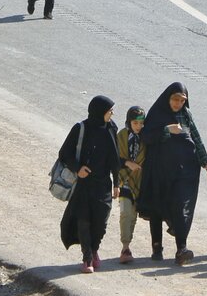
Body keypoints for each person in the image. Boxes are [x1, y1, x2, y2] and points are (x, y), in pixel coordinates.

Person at [137, 82, 207, 266]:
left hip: (185, 170)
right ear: (168, 98)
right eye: (175, 99)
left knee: (182, 206)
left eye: (182, 100)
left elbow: (196, 138)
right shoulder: (157, 114)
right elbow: (146, 137)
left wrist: (206, 164)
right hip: (160, 171)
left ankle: (182, 248)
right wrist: (167, 130)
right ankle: (157, 248)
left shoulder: (186, 115)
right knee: (157, 206)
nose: (178, 103)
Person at [59, 96, 121, 274]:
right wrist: (78, 168)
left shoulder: (111, 128)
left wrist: (116, 183)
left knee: (101, 220)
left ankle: (94, 249)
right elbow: (64, 153)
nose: (112, 113)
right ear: (100, 112)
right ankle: (87, 257)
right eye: (110, 110)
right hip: (83, 184)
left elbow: (114, 159)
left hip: (103, 184)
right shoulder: (81, 128)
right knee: (83, 220)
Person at [115, 106, 146, 265]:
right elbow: (113, 159)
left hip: (142, 181)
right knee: (126, 212)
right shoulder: (121, 136)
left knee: (133, 214)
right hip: (124, 180)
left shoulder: (147, 138)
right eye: (135, 123)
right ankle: (125, 247)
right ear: (129, 122)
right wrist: (128, 163)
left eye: (141, 123)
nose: (139, 126)